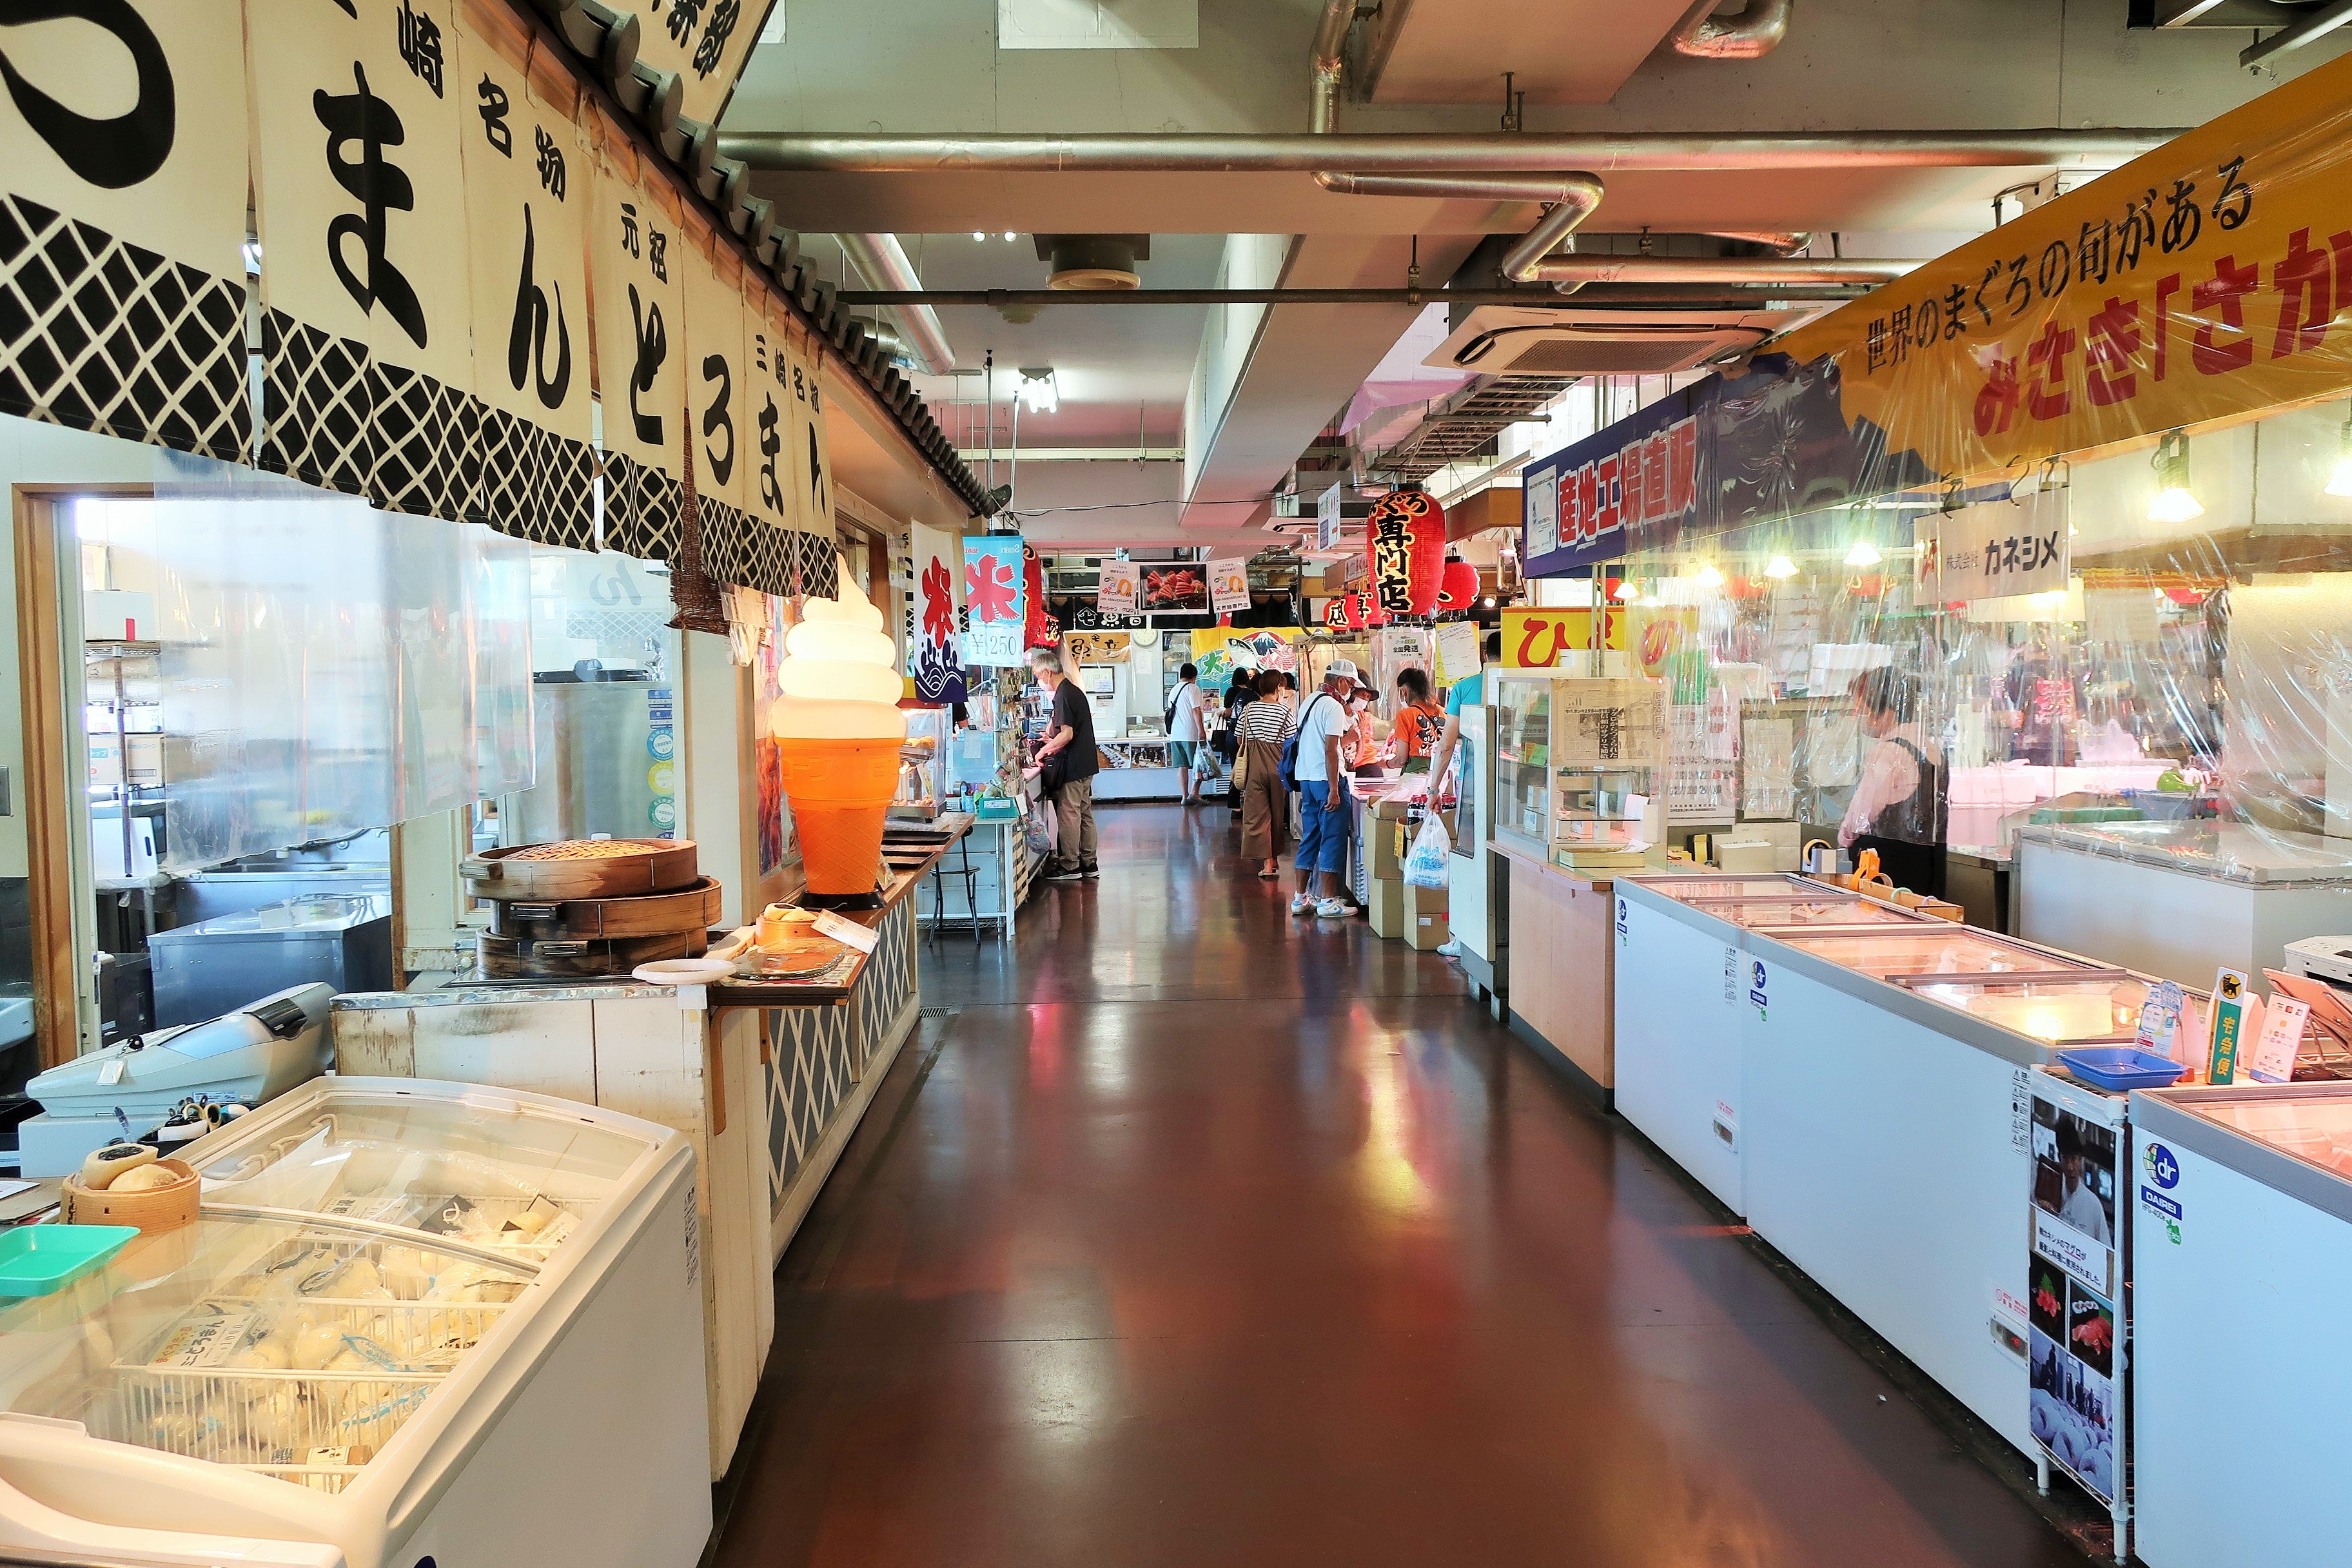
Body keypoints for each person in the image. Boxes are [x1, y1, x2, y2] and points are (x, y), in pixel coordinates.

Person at [1426, 629, 1502, 959]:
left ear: (1485, 655)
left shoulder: (1465, 687)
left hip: (1475, 790)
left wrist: (1434, 788)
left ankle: (1463, 935)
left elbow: (1446, 746)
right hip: (1517, 795)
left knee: (1470, 859)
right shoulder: (1526, 685)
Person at [1839, 666, 1947, 898]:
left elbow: (1859, 817)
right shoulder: (1931, 748)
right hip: (1928, 866)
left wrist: (1843, 838)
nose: (1857, 717)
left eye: (1861, 710)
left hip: (1886, 871)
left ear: (1886, 713)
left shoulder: (1888, 751)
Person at [1023, 645, 1099, 880]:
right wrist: (1051, 738)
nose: (1039, 682)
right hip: (1086, 764)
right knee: (1084, 813)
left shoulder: (1064, 694)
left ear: (1047, 672)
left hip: (1073, 766)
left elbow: (1067, 735)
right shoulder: (1073, 692)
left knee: (1069, 814)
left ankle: (1070, 865)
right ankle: (1089, 863)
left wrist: (1044, 750)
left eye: (1038, 677)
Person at [1289, 658, 1357, 918]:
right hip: (1325, 779)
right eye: (1350, 683)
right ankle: (1328, 901)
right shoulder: (1333, 706)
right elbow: (1331, 750)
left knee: (1311, 837)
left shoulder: (1309, 701)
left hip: (1306, 778)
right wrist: (1334, 789)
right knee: (1332, 837)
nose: (1351, 689)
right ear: (1340, 681)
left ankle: (1300, 898)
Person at [1232, 670, 1293, 879]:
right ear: (1278, 687)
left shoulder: (1249, 710)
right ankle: (1273, 858)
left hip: (1255, 769)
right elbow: (1291, 743)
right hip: (1278, 769)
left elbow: (1240, 740)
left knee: (1258, 816)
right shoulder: (1285, 712)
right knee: (1277, 815)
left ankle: (1268, 863)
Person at [2056, 1127, 2112, 1245]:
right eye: (2065, 1159)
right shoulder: (2050, 1190)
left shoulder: (2093, 1204)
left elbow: (2106, 1250)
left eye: (2074, 1159)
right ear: (2059, 1158)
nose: (2070, 1167)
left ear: (2081, 1160)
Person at [1166, 662, 1207, 806]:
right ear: (1194, 676)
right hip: (1190, 734)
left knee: (1182, 766)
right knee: (1199, 764)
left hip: (1176, 735)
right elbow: (1197, 710)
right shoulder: (1193, 688)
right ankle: (1194, 793)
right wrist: (1201, 730)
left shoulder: (1174, 690)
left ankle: (1184, 797)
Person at [1391, 667, 1446, 772]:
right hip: (1441, 772)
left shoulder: (1405, 715)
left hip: (1416, 773)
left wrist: (1386, 764)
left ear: (1402, 691)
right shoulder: (1443, 712)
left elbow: (1401, 759)